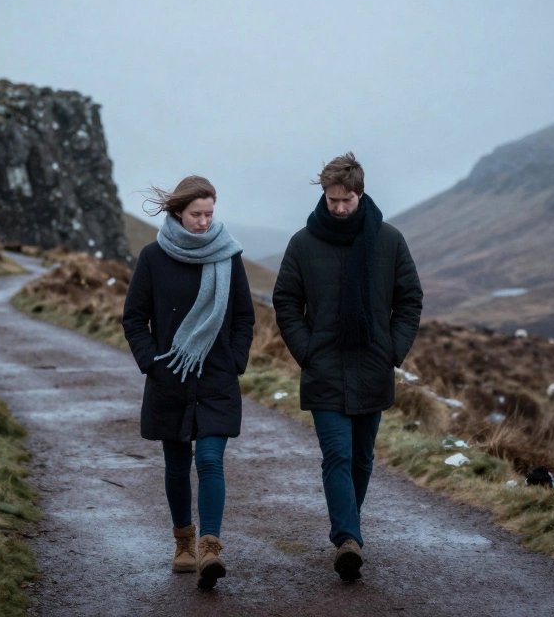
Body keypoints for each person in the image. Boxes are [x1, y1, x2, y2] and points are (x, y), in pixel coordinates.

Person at [271, 152, 423, 582]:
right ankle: (347, 540)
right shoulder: (304, 243)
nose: (339, 208)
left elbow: (410, 299)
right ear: (324, 194)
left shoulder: (388, 240)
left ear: (360, 193)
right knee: (337, 454)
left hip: (372, 367)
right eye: (333, 199)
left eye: (346, 200)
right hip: (324, 370)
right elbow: (286, 301)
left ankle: (348, 532)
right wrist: (307, 351)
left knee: (362, 459)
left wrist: (391, 350)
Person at [122, 175, 254, 590]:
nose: (204, 222)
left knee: (210, 460)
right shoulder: (154, 257)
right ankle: (183, 543)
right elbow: (134, 319)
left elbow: (244, 317)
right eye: (197, 214)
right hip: (171, 379)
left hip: (216, 379)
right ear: (178, 212)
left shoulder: (228, 256)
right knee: (177, 465)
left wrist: (235, 360)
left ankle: (210, 550)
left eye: (210, 213)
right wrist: (152, 364)